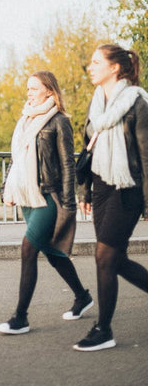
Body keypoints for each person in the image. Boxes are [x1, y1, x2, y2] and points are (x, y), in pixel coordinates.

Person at [0, 71, 93, 335]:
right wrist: (7, 188)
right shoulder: (25, 119)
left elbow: (67, 165)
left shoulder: (59, 121)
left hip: (50, 196)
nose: (29, 93)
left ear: (49, 91)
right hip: (28, 196)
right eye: (27, 88)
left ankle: (20, 317)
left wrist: (70, 204)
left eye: (34, 88)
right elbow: (17, 159)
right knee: (53, 253)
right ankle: (82, 297)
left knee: (28, 249)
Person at [74, 44, 148, 352]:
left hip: (127, 185)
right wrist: (84, 190)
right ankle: (103, 328)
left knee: (104, 257)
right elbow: (89, 149)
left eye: (95, 62)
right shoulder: (97, 105)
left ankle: (103, 330)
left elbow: (146, 155)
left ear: (114, 68)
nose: (89, 67)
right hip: (102, 186)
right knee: (115, 259)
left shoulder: (137, 102)